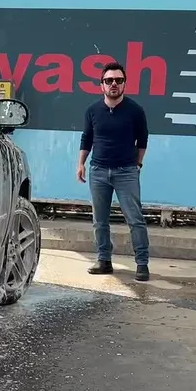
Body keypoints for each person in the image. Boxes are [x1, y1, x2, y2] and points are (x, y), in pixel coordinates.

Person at [77, 62, 150, 281]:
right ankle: (104, 261)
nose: (114, 84)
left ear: (124, 84)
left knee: (135, 219)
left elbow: (142, 140)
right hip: (98, 172)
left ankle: (142, 264)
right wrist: (81, 164)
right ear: (102, 85)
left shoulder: (135, 110)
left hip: (126, 172)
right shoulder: (92, 110)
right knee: (100, 220)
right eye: (109, 80)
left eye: (118, 80)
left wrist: (137, 165)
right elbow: (86, 138)